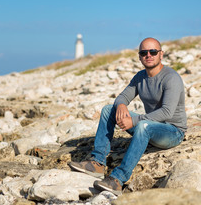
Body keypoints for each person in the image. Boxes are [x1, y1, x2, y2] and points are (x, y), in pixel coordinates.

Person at [69, 37, 187, 196]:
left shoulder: (171, 78)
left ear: (161, 54)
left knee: (143, 125)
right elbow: (121, 97)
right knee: (108, 110)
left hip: (172, 132)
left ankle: (118, 179)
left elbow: (167, 112)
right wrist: (122, 105)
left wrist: (134, 120)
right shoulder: (140, 77)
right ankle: (97, 163)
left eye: (153, 52)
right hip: (148, 128)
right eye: (144, 52)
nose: (148, 55)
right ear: (139, 56)